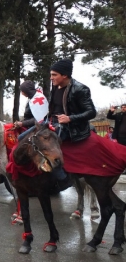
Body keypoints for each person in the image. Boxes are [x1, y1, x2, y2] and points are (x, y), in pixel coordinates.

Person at [47, 58, 97, 189]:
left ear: (65, 75)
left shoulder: (80, 89)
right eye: (51, 74)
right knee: (23, 138)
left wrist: (70, 118)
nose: (51, 78)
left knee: (45, 148)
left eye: (54, 75)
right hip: (52, 123)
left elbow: (91, 112)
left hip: (71, 127)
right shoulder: (55, 87)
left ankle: (64, 180)